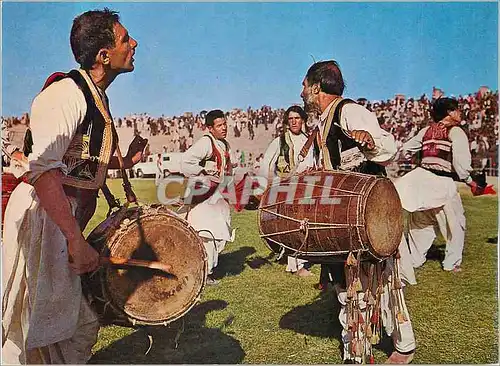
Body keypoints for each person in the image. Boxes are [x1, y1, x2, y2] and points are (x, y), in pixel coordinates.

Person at [2, 9, 144, 364]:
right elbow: (44, 170)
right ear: (103, 55)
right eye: (126, 39)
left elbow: (78, 162)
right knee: (57, 329)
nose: (134, 43)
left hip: (58, 223)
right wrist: (74, 240)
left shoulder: (95, 96)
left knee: (50, 330)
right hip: (45, 220)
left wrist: (125, 162)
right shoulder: (64, 93)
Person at [300, 60, 416, 364]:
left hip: (370, 215)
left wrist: (369, 140)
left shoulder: (348, 111)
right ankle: (357, 351)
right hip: (342, 217)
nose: (301, 92)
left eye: (304, 86)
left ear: (315, 87)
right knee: (348, 285)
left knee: (383, 282)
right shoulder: (322, 123)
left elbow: (387, 146)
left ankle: (403, 347)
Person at [394, 98, 490, 283]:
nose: (460, 113)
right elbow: (461, 165)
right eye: (457, 110)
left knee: (420, 224)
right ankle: (451, 263)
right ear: (449, 112)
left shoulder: (426, 131)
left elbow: (405, 149)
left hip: (421, 181)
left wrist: (417, 162)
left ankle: (415, 259)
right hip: (442, 184)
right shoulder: (456, 132)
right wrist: (471, 182)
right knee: (455, 225)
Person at [258, 105, 315, 277]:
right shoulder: (280, 141)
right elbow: (265, 164)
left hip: (308, 186)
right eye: (290, 119)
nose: (294, 122)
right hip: (287, 188)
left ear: (303, 120)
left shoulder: (310, 141)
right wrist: (264, 188)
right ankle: (295, 266)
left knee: (305, 223)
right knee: (293, 225)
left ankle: (302, 256)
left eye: (297, 118)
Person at [180, 109, 234, 286]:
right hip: (203, 195)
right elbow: (185, 162)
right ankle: (205, 272)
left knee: (219, 232)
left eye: (224, 124)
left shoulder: (224, 144)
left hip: (217, 196)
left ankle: (206, 268)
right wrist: (203, 171)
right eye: (219, 125)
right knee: (206, 233)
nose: (224, 128)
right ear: (210, 128)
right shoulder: (206, 143)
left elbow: (227, 170)